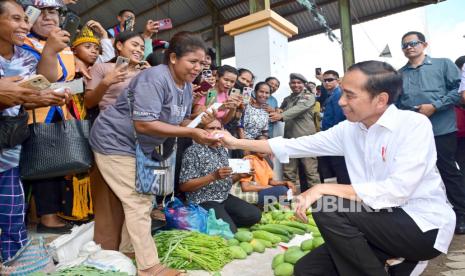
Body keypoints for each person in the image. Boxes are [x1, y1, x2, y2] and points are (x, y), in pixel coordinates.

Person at [217, 60, 455, 276]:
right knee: (306, 270)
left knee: (327, 206)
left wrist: (322, 189)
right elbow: (297, 144)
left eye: (350, 95)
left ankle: (397, 260)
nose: (341, 101)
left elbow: (398, 189)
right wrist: (234, 141)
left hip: (421, 226)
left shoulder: (413, 125)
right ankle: (389, 262)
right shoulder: (349, 129)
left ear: (381, 100)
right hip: (376, 221)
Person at [89, 31, 217, 276]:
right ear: (172, 58)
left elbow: (176, 120)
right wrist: (191, 134)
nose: (197, 68)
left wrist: (199, 121)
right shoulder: (154, 78)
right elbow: (144, 124)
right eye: (192, 61)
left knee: (142, 201)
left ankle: (128, 252)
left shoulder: (187, 87)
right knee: (137, 201)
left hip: (140, 146)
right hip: (115, 141)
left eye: (201, 63)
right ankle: (148, 267)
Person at [0, 0, 68, 259]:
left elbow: (33, 90)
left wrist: (43, 98)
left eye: (25, 20)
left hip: (9, 147)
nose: (24, 25)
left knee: (12, 210)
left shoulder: (25, 57)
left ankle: (13, 259)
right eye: (16, 19)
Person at [85, 31, 147, 251]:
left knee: (135, 197)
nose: (139, 49)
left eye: (142, 46)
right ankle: (107, 251)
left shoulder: (143, 73)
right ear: (118, 45)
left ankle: (128, 249)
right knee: (108, 198)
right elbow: (89, 101)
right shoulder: (102, 68)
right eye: (135, 44)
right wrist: (107, 82)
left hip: (138, 137)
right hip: (109, 136)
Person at [397, 31, 464, 234]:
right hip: (414, 133)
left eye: (414, 43)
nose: (410, 47)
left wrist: (435, 106)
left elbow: (458, 92)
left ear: (425, 45)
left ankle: (462, 214)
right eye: (405, 45)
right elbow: (397, 103)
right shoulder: (399, 74)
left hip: (442, 129)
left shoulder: (443, 64)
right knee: (420, 175)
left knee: (448, 171)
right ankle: (429, 217)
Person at [179, 119, 261, 232]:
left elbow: (225, 181)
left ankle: (221, 222)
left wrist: (239, 176)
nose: (216, 131)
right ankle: (217, 223)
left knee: (255, 215)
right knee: (230, 230)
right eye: (211, 128)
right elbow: (184, 186)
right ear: (202, 131)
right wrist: (213, 176)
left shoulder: (222, 150)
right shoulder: (193, 151)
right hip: (203, 200)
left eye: (219, 128)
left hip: (224, 198)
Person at [269, 73, 320, 192]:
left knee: (311, 173)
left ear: (304, 85)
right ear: (289, 84)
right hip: (289, 140)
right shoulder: (288, 99)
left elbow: (298, 109)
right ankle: (288, 203)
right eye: (293, 83)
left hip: (306, 140)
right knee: (288, 173)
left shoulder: (308, 97)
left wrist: (281, 115)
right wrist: (277, 110)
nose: (295, 85)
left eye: (299, 83)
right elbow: (281, 109)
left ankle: (318, 204)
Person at [238, 135, 295, 207]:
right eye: (259, 146)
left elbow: (270, 181)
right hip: (255, 194)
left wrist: (285, 182)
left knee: (287, 188)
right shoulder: (249, 160)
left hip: (263, 191)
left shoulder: (264, 161)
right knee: (282, 190)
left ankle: (284, 211)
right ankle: (286, 211)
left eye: (264, 146)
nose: (262, 149)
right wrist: (268, 187)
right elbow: (245, 187)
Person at [317, 70, 351, 185]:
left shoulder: (338, 95)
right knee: (331, 169)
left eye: (330, 80)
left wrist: (334, 135)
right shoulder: (331, 94)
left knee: (339, 169)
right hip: (330, 136)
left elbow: (339, 118)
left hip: (335, 137)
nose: (326, 83)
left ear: (338, 80)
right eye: (324, 80)